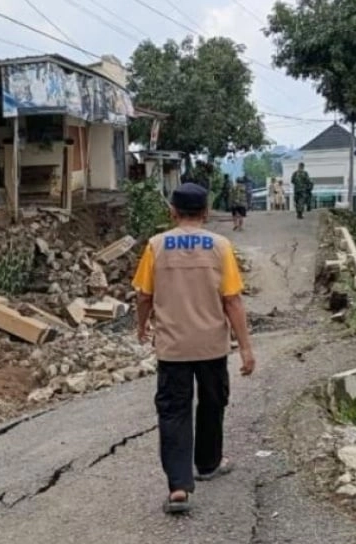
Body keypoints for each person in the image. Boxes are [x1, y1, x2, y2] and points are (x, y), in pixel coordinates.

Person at [131, 182, 257, 515]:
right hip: (212, 345)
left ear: (172, 211)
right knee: (213, 403)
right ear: (205, 212)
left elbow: (143, 295)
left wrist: (142, 326)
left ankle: (178, 487)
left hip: (172, 347)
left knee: (174, 411)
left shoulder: (156, 246)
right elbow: (232, 300)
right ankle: (209, 462)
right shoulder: (220, 246)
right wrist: (245, 348)